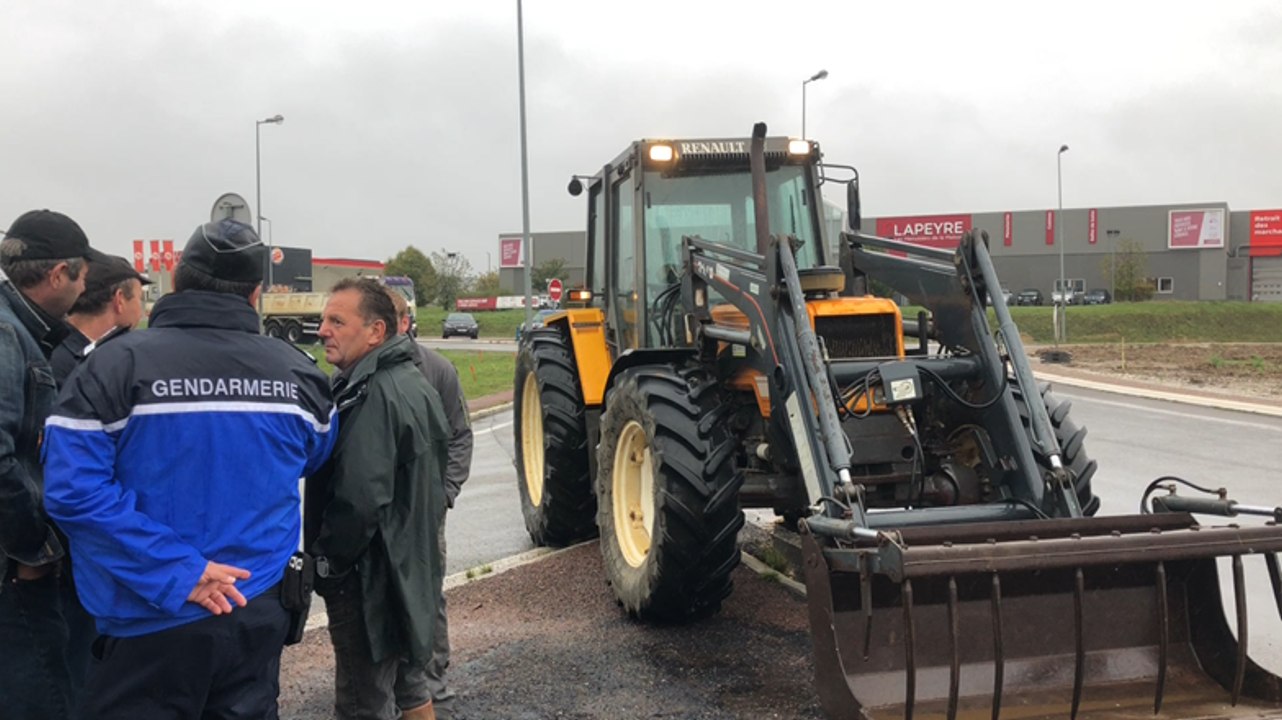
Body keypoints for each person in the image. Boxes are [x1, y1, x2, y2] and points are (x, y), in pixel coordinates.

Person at [41, 219, 337, 718]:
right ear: (256, 292)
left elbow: (72, 492)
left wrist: (180, 572)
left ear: (176, 279)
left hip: (148, 622)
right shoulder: (300, 374)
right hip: (256, 611)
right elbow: (314, 458)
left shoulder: (113, 366)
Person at [306, 278, 449, 720]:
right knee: (410, 683)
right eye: (323, 319)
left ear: (376, 332)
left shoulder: (375, 394)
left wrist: (329, 560)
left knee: (361, 701)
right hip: (406, 568)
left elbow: (360, 498)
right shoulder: (409, 380)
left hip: (371, 576)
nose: (322, 330)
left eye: (336, 321)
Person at [0, 208, 102, 719]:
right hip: (15, 575)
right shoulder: (6, 334)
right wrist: (32, 547)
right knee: (45, 700)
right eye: (83, 273)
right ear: (59, 274)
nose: (86, 287)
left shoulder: (22, 330)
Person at [387, 290, 473, 715]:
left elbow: (460, 436)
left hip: (425, 511)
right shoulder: (353, 372)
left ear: (405, 322)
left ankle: (432, 680)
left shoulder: (437, 370)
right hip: (379, 511)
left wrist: (445, 494)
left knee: (429, 595)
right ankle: (384, 683)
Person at [50, 253, 151, 384]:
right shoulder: (77, 364)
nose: (141, 310)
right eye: (139, 298)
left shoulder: (52, 349)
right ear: (119, 300)